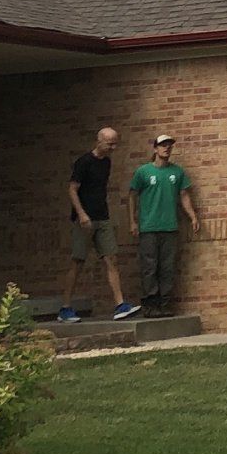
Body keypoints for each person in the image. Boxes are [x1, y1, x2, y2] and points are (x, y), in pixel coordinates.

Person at [56, 124, 140, 321]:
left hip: (102, 217)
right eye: (110, 144)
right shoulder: (84, 162)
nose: (113, 148)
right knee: (78, 261)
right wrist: (82, 214)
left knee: (111, 259)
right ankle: (65, 308)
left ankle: (120, 305)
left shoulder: (106, 163)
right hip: (84, 219)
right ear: (99, 141)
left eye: (115, 144)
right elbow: (72, 189)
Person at [128, 135, 200, 314]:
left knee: (167, 267)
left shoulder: (177, 172)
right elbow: (132, 195)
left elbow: (184, 195)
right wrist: (132, 220)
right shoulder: (143, 172)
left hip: (170, 226)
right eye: (162, 145)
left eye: (169, 146)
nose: (166, 148)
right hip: (149, 227)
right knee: (149, 267)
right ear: (155, 149)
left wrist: (192, 216)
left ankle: (165, 303)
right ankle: (151, 304)